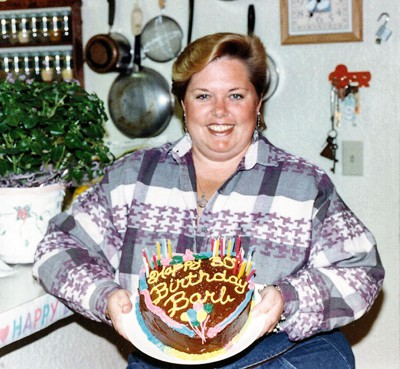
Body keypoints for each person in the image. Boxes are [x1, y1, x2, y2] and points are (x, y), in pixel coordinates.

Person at [33, 33, 384, 369]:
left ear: (258, 103)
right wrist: (107, 298)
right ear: (182, 103)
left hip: (277, 358)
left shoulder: (303, 185)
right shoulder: (132, 178)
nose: (219, 111)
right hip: (161, 359)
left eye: (235, 95)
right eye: (203, 96)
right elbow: (56, 246)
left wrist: (287, 299)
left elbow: (361, 270)